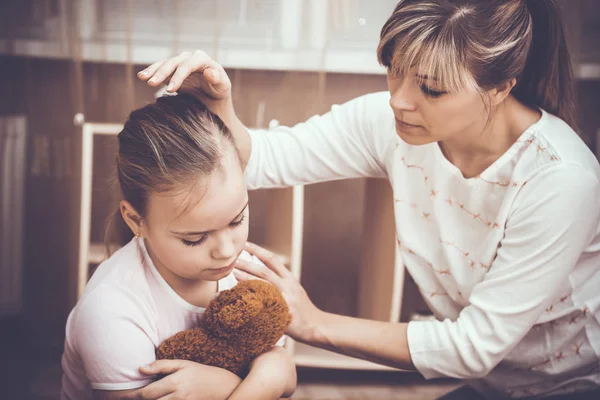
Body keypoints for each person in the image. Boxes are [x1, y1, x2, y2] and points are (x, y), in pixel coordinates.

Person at [138, 0, 600, 398]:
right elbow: (263, 160)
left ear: (501, 87)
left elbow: (472, 347)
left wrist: (312, 322)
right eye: (393, 72)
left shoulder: (560, 179)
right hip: (493, 386)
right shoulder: (393, 124)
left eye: (431, 88)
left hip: (575, 385)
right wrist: (221, 108)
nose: (400, 100)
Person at [60, 93, 296, 400]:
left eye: (237, 220)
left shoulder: (245, 271)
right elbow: (276, 378)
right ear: (136, 220)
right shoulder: (111, 310)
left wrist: (231, 385)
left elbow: (285, 374)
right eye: (194, 238)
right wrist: (258, 383)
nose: (227, 250)